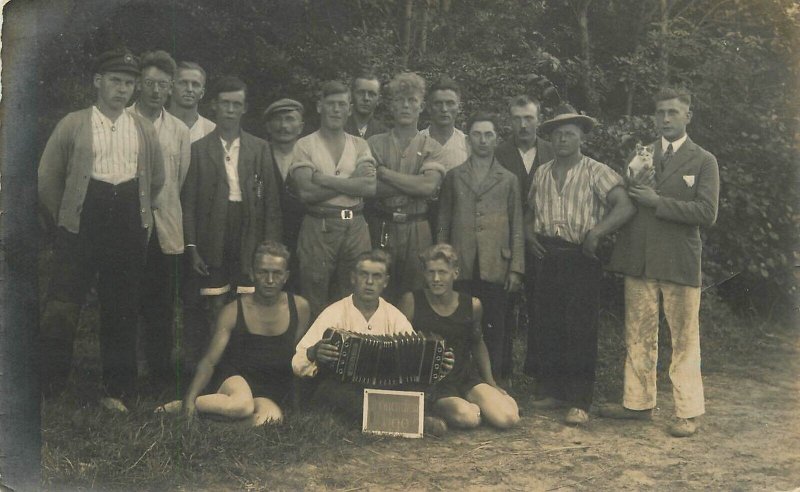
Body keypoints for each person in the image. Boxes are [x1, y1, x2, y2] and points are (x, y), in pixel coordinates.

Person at [37, 48, 164, 411]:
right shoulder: (73, 123)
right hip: (81, 221)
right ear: (97, 82)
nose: (122, 90)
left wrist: (135, 210)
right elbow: (48, 178)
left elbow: (156, 180)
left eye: (128, 83)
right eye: (115, 81)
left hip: (127, 221)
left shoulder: (142, 128)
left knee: (121, 305)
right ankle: (50, 384)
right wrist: (66, 217)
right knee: (63, 303)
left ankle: (118, 388)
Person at [600, 88, 720, 438]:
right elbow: (627, 199)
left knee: (684, 338)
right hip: (640, 259)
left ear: (688, 116)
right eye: (660, 113)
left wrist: (657, 201)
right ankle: (637, 403)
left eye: (673, 112)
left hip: (679, 261)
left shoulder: (703, 160)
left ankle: (688, 412)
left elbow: (707, 213)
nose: (665, 119)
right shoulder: (643, 155)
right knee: (637, 333)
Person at [525, 104, 635, 425]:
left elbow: (625, 206)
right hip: (548, 254)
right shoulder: (542, 172)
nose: (562, 139)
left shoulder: (595, 171)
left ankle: (579, 400)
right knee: (549, 323)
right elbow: (529, 211)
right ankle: (555, 391)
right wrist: (527, 233)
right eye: (557, 134)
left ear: (581, 137)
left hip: (581, 256)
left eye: (569, 134)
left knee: (580, 327)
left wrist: (597, 232)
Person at [181, 75, 282, 370]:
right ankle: (212, 367)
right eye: (225, 103)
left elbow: (271, 203)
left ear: (244, 109)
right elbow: (189, 203)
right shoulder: (199, 149)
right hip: (213, 230)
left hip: (248, 229)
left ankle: (247, 367)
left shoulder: (259, 147)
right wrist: (192, 246)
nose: (230, 109)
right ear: (214, 106)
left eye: (236, 104)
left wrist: (269, 246)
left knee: (249, 300)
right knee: (214, 302)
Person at [157, 241, 310, 426]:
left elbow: (297, 357)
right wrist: (190, 398)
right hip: (235, 380)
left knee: (271, 420)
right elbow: (209, 362)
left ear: (286, 276)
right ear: (252, 273)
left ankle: (211, 420)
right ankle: (187, 405)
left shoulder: (299, 307)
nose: (270, 280)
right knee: (242, 406)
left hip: (268, 388)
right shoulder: (233, 310)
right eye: (263, 272)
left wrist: (296, 404)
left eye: (276, 273)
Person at [436, 111, 524, 384]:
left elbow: (517, 225)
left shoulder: (508, 179)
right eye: (477, 134)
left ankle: (494, 379)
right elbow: (444, 221)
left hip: (495, 263)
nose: (483, 140)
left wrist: (516, 268)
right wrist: (441, 261)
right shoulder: (454, 176)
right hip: (461, 262)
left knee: (495, 324)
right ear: (468, 139)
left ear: (496, 139)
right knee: (460, 322)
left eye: (488, 135)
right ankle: (458, 379)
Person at [397, 244, 520, 431]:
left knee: (508, 419)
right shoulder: (411, 301)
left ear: (455, 273)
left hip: (464, 377)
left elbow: (478, 343)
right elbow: (398, 346)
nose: (436, 279)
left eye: (442, 272)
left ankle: (482, 405)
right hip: (433, 385)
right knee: (468, 418)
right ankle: (453, 409)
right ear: (424, 274)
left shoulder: (472, 305)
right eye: (431, 272)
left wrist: (491, 382)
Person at [128, 50, 191, 389]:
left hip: (165, 228)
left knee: (160, 306)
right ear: (139, 83)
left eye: (162, 85)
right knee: (124, 301)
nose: (155, 90)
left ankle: (160, 378)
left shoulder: (179, 130)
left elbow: (177, 180)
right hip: (127, 228)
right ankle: (124, 376)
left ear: (170, 89)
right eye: (149, 82)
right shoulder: (121, 120)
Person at [290, 81, 376, 317]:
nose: (336, 110)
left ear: (349, 109)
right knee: (314, 294)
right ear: (319, 106)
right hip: (319, 225)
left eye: (342, 105)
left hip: (356, 225)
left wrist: (324, 180)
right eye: (331, 104)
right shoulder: (304, 145)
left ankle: (353, 351)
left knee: (356, 293)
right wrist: (351, 182)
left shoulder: (360, 144)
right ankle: (316, 351)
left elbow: (369, 186)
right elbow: (306, 193)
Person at [366, 72, 446, 301]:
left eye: (412, 100)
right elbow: (370, 188)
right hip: (381, 225)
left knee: (415, 296)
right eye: (400, 100)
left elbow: (428, 188)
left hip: (417, 228)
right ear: (391, 105)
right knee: (377, 292)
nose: (406, 106)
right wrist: (413, 183)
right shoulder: (374, 144)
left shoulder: (432, 146)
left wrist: (385, 173)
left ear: (421, 107)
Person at [495, 95, 555, 383]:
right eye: (517, 118)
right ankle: (501, 372)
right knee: (504, 307)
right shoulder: (497, 153)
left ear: (538, 120)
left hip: (542, 243)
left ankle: (538, 373)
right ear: (509, 121)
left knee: (542, 306)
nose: (523, 124)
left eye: (528, 118)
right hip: (506, 242)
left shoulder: (554, 151)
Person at [263, 98, 306, 292]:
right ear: (268, 126)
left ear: (301, 126)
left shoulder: (309, 154)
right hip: (265, 236)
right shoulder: (258, 153)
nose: (284, 126)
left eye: (290, 119)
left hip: (303, 237)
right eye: (278, 120)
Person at [420, 77, 469, 172]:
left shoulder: (468, 145)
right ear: (429, 107)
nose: (444, 109)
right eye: (438, 103)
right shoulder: (416, 143)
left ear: (459, 107)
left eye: (450, 103)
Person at [168, 61, 216, 143]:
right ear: (171, 88)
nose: (189, 89)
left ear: (202, 93)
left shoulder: (212, 131)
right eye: (183, 83)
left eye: (195, 84)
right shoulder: (154, 125)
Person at [344, 70, 387, 139]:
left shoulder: (384, 134)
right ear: (351, 95)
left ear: (379, 99)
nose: (366, 98)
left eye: (371, 94)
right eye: (361, 93)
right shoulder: (338, 128)